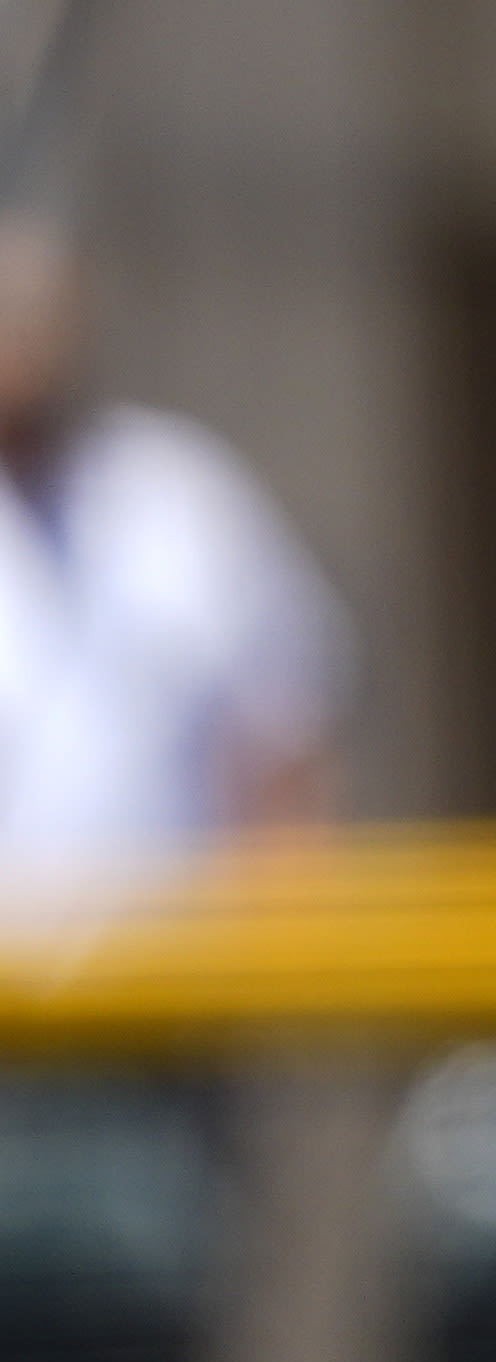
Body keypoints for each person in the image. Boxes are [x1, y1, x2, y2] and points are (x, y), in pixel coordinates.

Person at [0, 225, 344, 897]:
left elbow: (284, 750)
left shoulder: (179, 496)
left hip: (186, 971)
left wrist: (288, 958)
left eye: (32, 316)